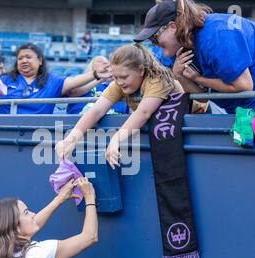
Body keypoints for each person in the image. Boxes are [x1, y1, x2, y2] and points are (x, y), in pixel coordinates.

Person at [134, 0, 255, 114]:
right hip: (250, 88)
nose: (153, 43)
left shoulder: (217, 35)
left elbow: (244, 85)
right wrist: (179, 76)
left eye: (154, 37)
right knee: (244, 135)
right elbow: (203, 96)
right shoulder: (177, 47)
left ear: (172, 26)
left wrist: (199, 78)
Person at [55, 43, 183, 168]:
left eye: (124, 77)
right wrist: (71, 139)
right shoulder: (119, 84)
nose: (119, 82)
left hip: (185, 128)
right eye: (115, 77)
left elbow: (143, 113)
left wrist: (116, 139)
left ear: (141, 70)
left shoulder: (158, 80)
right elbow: (96, 110)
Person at [0, 43, 111, 114]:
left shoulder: (52, 81)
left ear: (40, 60)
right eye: (20, 58)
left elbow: (73, 82)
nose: (24, 60)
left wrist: (95, 74)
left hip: (36, 134)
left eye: (28, 57)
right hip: (4, 131)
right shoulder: (4, 80)